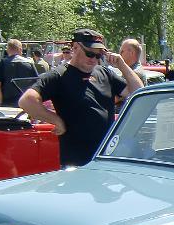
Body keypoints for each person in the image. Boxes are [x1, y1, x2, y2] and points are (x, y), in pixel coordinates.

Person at [18, 28, 143, 167]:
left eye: (99, 56)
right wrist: (56, 120)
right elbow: (27, 100)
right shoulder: (59, 75)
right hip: (77, 161)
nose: (94, 59)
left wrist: (122, 66)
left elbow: (139, 92)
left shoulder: (104, 73)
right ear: (75, 47)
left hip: (105, 158)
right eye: (90, 54)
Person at [0, 39, 39, 107]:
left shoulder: (2, 63)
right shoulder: (29, 63)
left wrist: (1, 102)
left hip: (7, 102)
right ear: (20, 49)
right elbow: (36, 85)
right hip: (25, 102)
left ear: (7, 50)